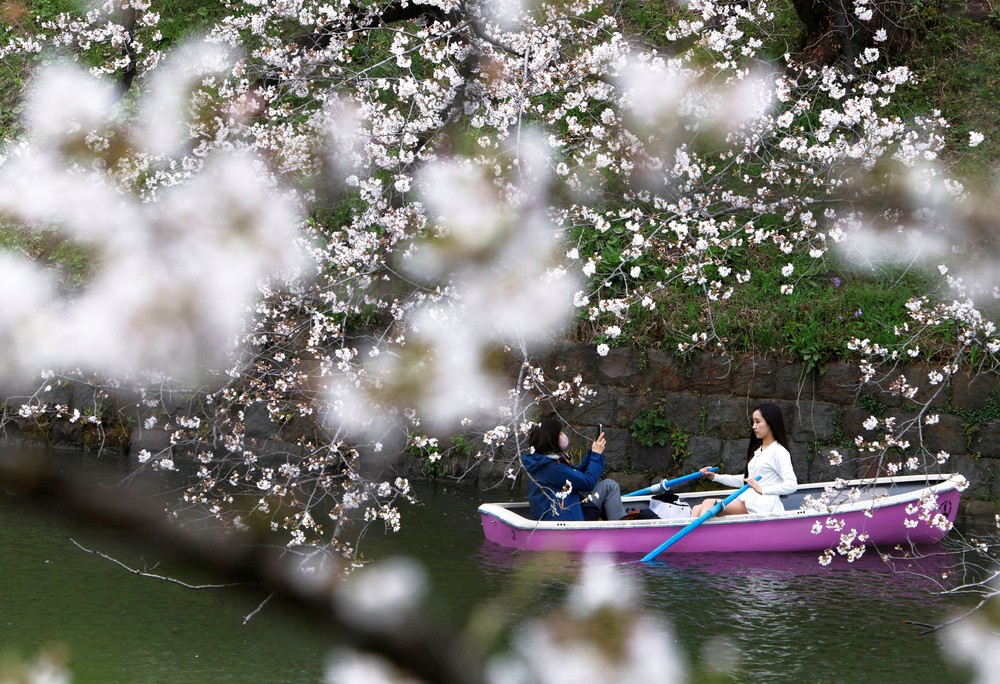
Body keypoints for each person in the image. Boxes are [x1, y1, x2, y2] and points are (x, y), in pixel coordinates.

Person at [690, 403, 798, 517]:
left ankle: (702, 535)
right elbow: (745, 480)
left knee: (708, 503)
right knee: (697, 508)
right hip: (750, 501)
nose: (754, 427)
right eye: (753, 422)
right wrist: (715, 477)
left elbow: (791, 485)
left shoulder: (779, 452)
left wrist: (763, 489)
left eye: (758, 421)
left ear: (770, 423)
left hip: (762, 506)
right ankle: (695, 535)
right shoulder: (759, 451)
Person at [521, 416, 630, 521]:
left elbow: (575, 476)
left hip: (570, 510)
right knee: (610, 486)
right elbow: (588, 482)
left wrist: (592, 453)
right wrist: (596, 456)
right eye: (560, 433)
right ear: (552, 439)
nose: (563, 435)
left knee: (609, 486)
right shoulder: (551, 468)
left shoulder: (542, 462)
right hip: (565, 521)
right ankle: (621, 531)